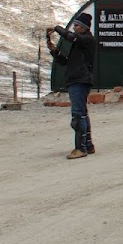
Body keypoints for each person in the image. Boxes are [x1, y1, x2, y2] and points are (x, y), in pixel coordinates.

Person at [47, 12, 97, 160]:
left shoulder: (87, 40)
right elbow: (66, 62)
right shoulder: (80, 43)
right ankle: (88, 145)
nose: (74, 28)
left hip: (79, 80)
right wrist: (55, 51)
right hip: (77, 79)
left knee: (78, 115)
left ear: (84, 27)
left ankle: (80, 148)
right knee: (82, 113)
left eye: (77, 26)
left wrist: (56, 28)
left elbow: (70, 36)